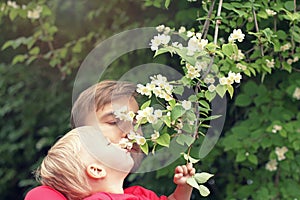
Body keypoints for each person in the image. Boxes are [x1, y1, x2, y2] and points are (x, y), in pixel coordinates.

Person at [25, 80, 195, 200]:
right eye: (114, 122)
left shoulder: (139, 193)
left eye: (137, 123)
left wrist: (184, 188)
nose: (131, 133)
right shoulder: (45, 195)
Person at [26, 126, 195, 200]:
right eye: (108, 143)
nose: (118, 142)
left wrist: (184, 187)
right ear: (96, 170)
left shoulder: (140, 193)